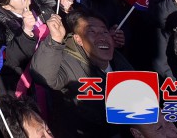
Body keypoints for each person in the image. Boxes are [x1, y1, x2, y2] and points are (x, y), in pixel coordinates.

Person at [30, 7, 132, 137]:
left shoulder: (119, 60)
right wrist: (55, 40)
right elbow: (43, 76)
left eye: (105, 32)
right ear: (78, 39)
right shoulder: (68, 63)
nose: (101, 37)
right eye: (92, 32)